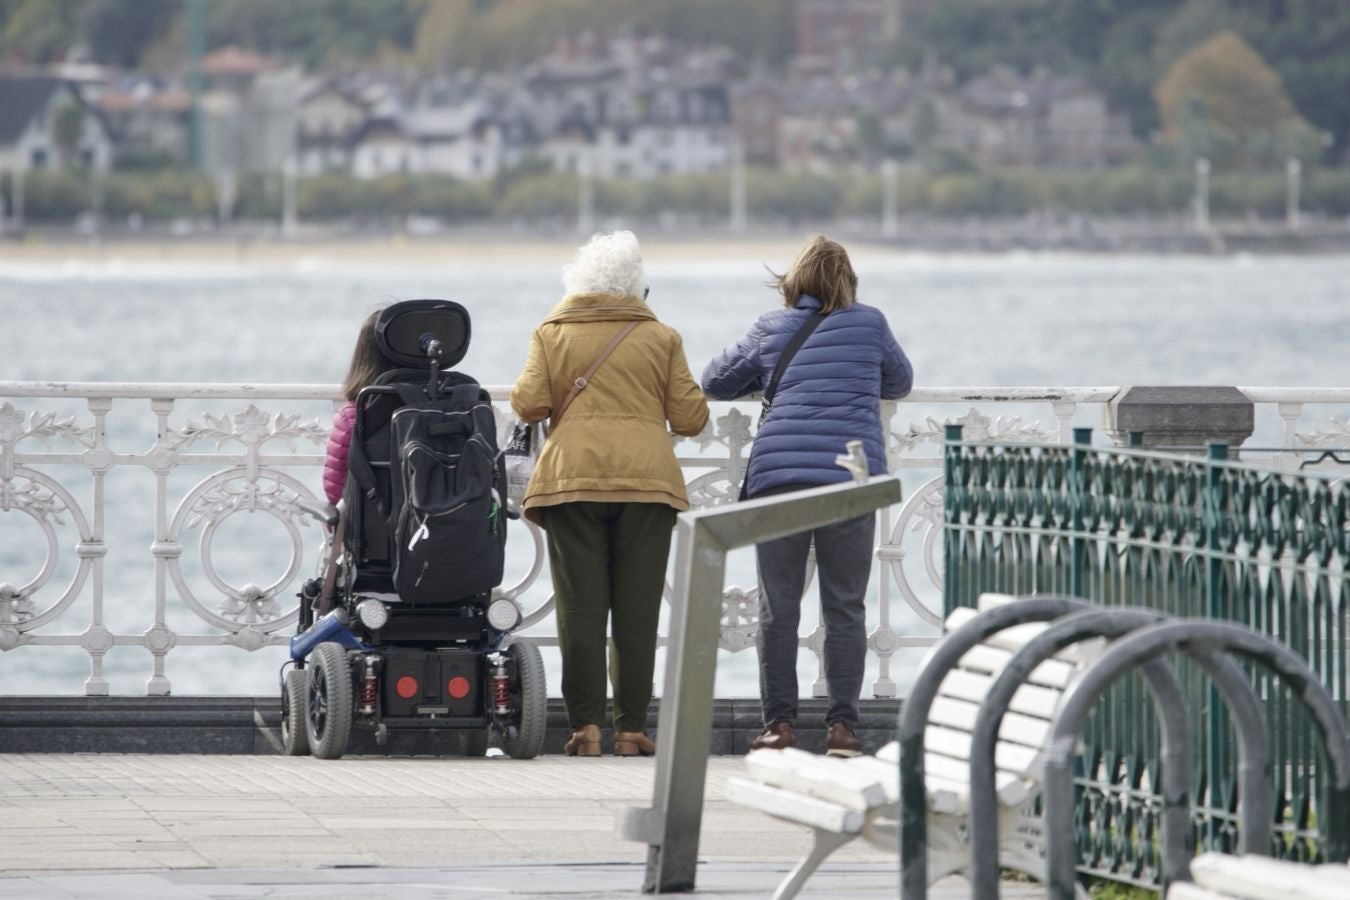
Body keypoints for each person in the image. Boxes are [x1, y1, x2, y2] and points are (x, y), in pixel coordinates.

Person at [701, 235, 912, 757]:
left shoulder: (771, 325)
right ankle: (843, 729)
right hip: (850, 477)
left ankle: (779, 727)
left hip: (780, 476)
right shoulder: (870, 323)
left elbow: (715, 381)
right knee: (845, 606)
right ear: (848, 281)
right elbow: (900, 382)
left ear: (792, 282)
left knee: (778, 607)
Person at [511, 231, 709, 758]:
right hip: (647, 484)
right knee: (637, 611)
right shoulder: (662, 338)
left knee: (579, 609)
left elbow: (528, 404)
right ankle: (631, 729)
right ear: (637, 286)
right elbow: (691, 417)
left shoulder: (551, 332)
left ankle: (586, 729)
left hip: (571, 481)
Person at [322, 309, 397, 507]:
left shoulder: (352, 417)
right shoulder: (444, 410)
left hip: (371, 524)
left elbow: (335, 493)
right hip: (435, 523)